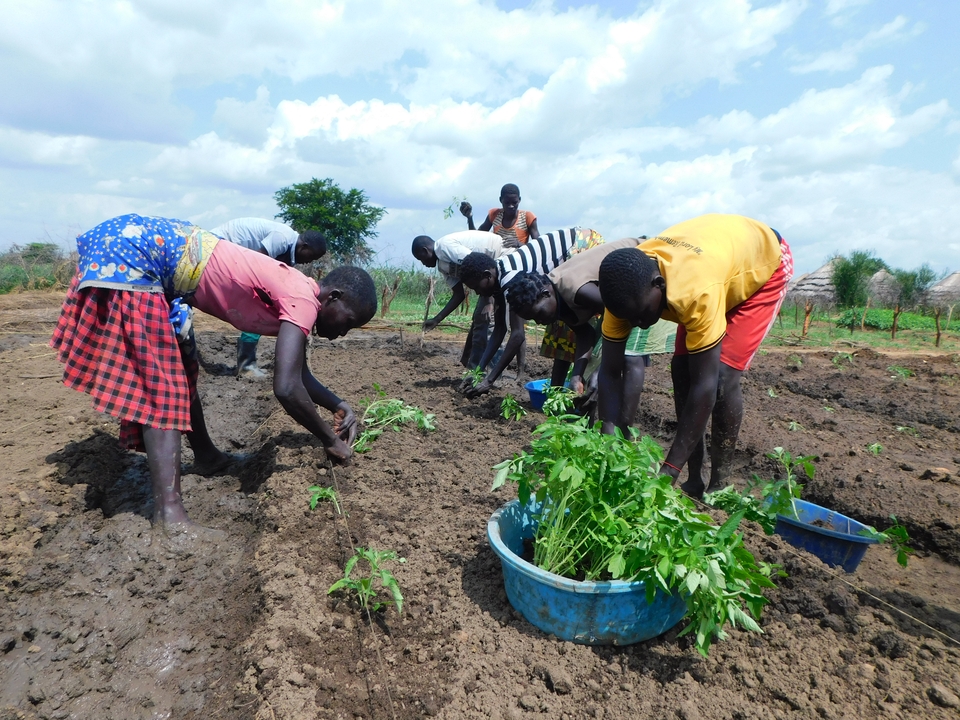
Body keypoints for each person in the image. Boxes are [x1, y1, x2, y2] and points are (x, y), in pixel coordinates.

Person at [51, 214, 376, 533]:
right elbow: (287, 388)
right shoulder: (301, 299)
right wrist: (331, 440)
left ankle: (206, 457)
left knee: (182, 365)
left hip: (141, 253)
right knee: (162, 387)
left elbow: (298, 374)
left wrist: (338, 403)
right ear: (333, 297)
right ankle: (170, 519)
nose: (343, 333)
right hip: (133, 254)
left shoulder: (299, 295)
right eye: (348, 321)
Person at [597, 214, 793, 498]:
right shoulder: (624, 292)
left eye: (641, 314)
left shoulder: (694, 292)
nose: (637, 324)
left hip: (763, 263)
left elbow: (706, 388)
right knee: (681, 370)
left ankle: (718, 484)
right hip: (715, 263)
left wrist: (667, 471)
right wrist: (607, 434)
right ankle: (694, 477)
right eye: (629, 317)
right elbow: (611, 370)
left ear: (658, 285)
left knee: (721, 377)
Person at [504, 239, 677, 425]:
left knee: (628, 358)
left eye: (538, 314)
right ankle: (593, 430)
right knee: (591, 373)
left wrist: (601, 370)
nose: (539, 321)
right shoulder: (558, 303)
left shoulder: (577, 290)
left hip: (644, 275)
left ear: (546, 293)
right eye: (534, 319)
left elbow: (621, 315)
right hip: (623, 299)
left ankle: (622, 434)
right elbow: (585, 334)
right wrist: (577, 375)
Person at [458, 227, 603, 398]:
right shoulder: (499, 276)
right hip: (574, 247)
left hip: (582, 244)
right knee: (559, 325)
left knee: (563, 325)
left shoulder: (510, 278)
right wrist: (479, 372)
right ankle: (557, 393)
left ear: (487, 276)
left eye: (476, 287)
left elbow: (517, 335)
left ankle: (572, 386)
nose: (476, 293)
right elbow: (500, 329)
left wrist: (488, 381)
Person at [210, 217, 328, 378]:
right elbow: (258, 266)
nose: (309, 262)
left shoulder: (288, 250)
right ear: (304, 247)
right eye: (311, 257)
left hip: (230, 253)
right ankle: (246, 365)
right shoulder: (282, 238)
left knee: (258, 305)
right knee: (256, 305)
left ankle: (247, 363)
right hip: (217, 245)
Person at [411, 230, 515, 368]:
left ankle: (492, 375)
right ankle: (475, 370)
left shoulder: (444, 247)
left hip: (503, 260)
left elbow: (478, 264)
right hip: (491, 272)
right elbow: (458, 295)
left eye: (421, 258)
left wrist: (489, 302)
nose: (423, 263)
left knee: (490, 321)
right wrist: (437, 319)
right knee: (480, 319)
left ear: (425, 250)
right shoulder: (443, 265)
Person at [460, 184, 540, 247]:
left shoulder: (527, 217)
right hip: (497, 259)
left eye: (514, 202)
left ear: (519, 200)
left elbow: (539, 246)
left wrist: (519, 244)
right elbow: (476, 237)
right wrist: (470, 218)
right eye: (507, 203)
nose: (511, 206)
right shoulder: (494, 214)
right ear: (501, 200)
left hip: (518, 260)